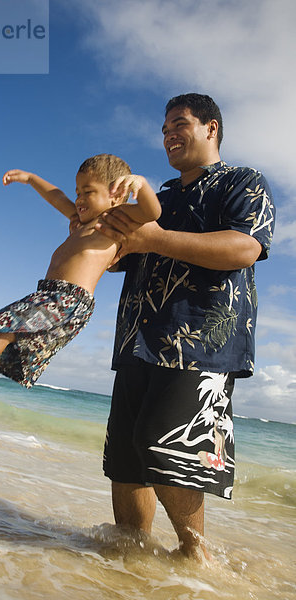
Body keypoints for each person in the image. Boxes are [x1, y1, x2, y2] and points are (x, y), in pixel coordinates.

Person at [96, 94, 275, 559]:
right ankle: (132, 562)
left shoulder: (243, 181)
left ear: (211, 128)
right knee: (127, 460)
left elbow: (244, 249)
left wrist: (154, 238)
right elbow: (120, 255)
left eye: (179, 124)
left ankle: (197, 557)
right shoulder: (161, 197)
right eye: (164, 129)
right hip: (137, 338)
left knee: (166, 449)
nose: (168, 135)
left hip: (198, 342)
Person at [0, 154, 161, 399]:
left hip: (68, 299)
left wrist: (142, 184)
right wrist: (32, 179)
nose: (79, 199)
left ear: (116, 196)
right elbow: (56, 197)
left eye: (88, 192)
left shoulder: (115, 220)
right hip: (49, 294)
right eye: (78, 192)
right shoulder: (81, 222)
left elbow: (152, 212)